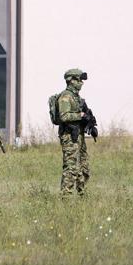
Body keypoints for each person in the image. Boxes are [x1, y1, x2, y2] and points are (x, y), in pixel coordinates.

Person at [55, 68, 91, 196]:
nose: (81, 82)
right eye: (79, 79)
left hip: (79, 136)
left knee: (84, 167)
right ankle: (66, 197)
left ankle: (82, 195)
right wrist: (80, 115)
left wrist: (89, 122)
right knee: (71, 168)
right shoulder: (65, 97)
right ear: (71, 81)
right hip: (69, 137)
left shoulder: (77, 98)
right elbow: (64, 116)